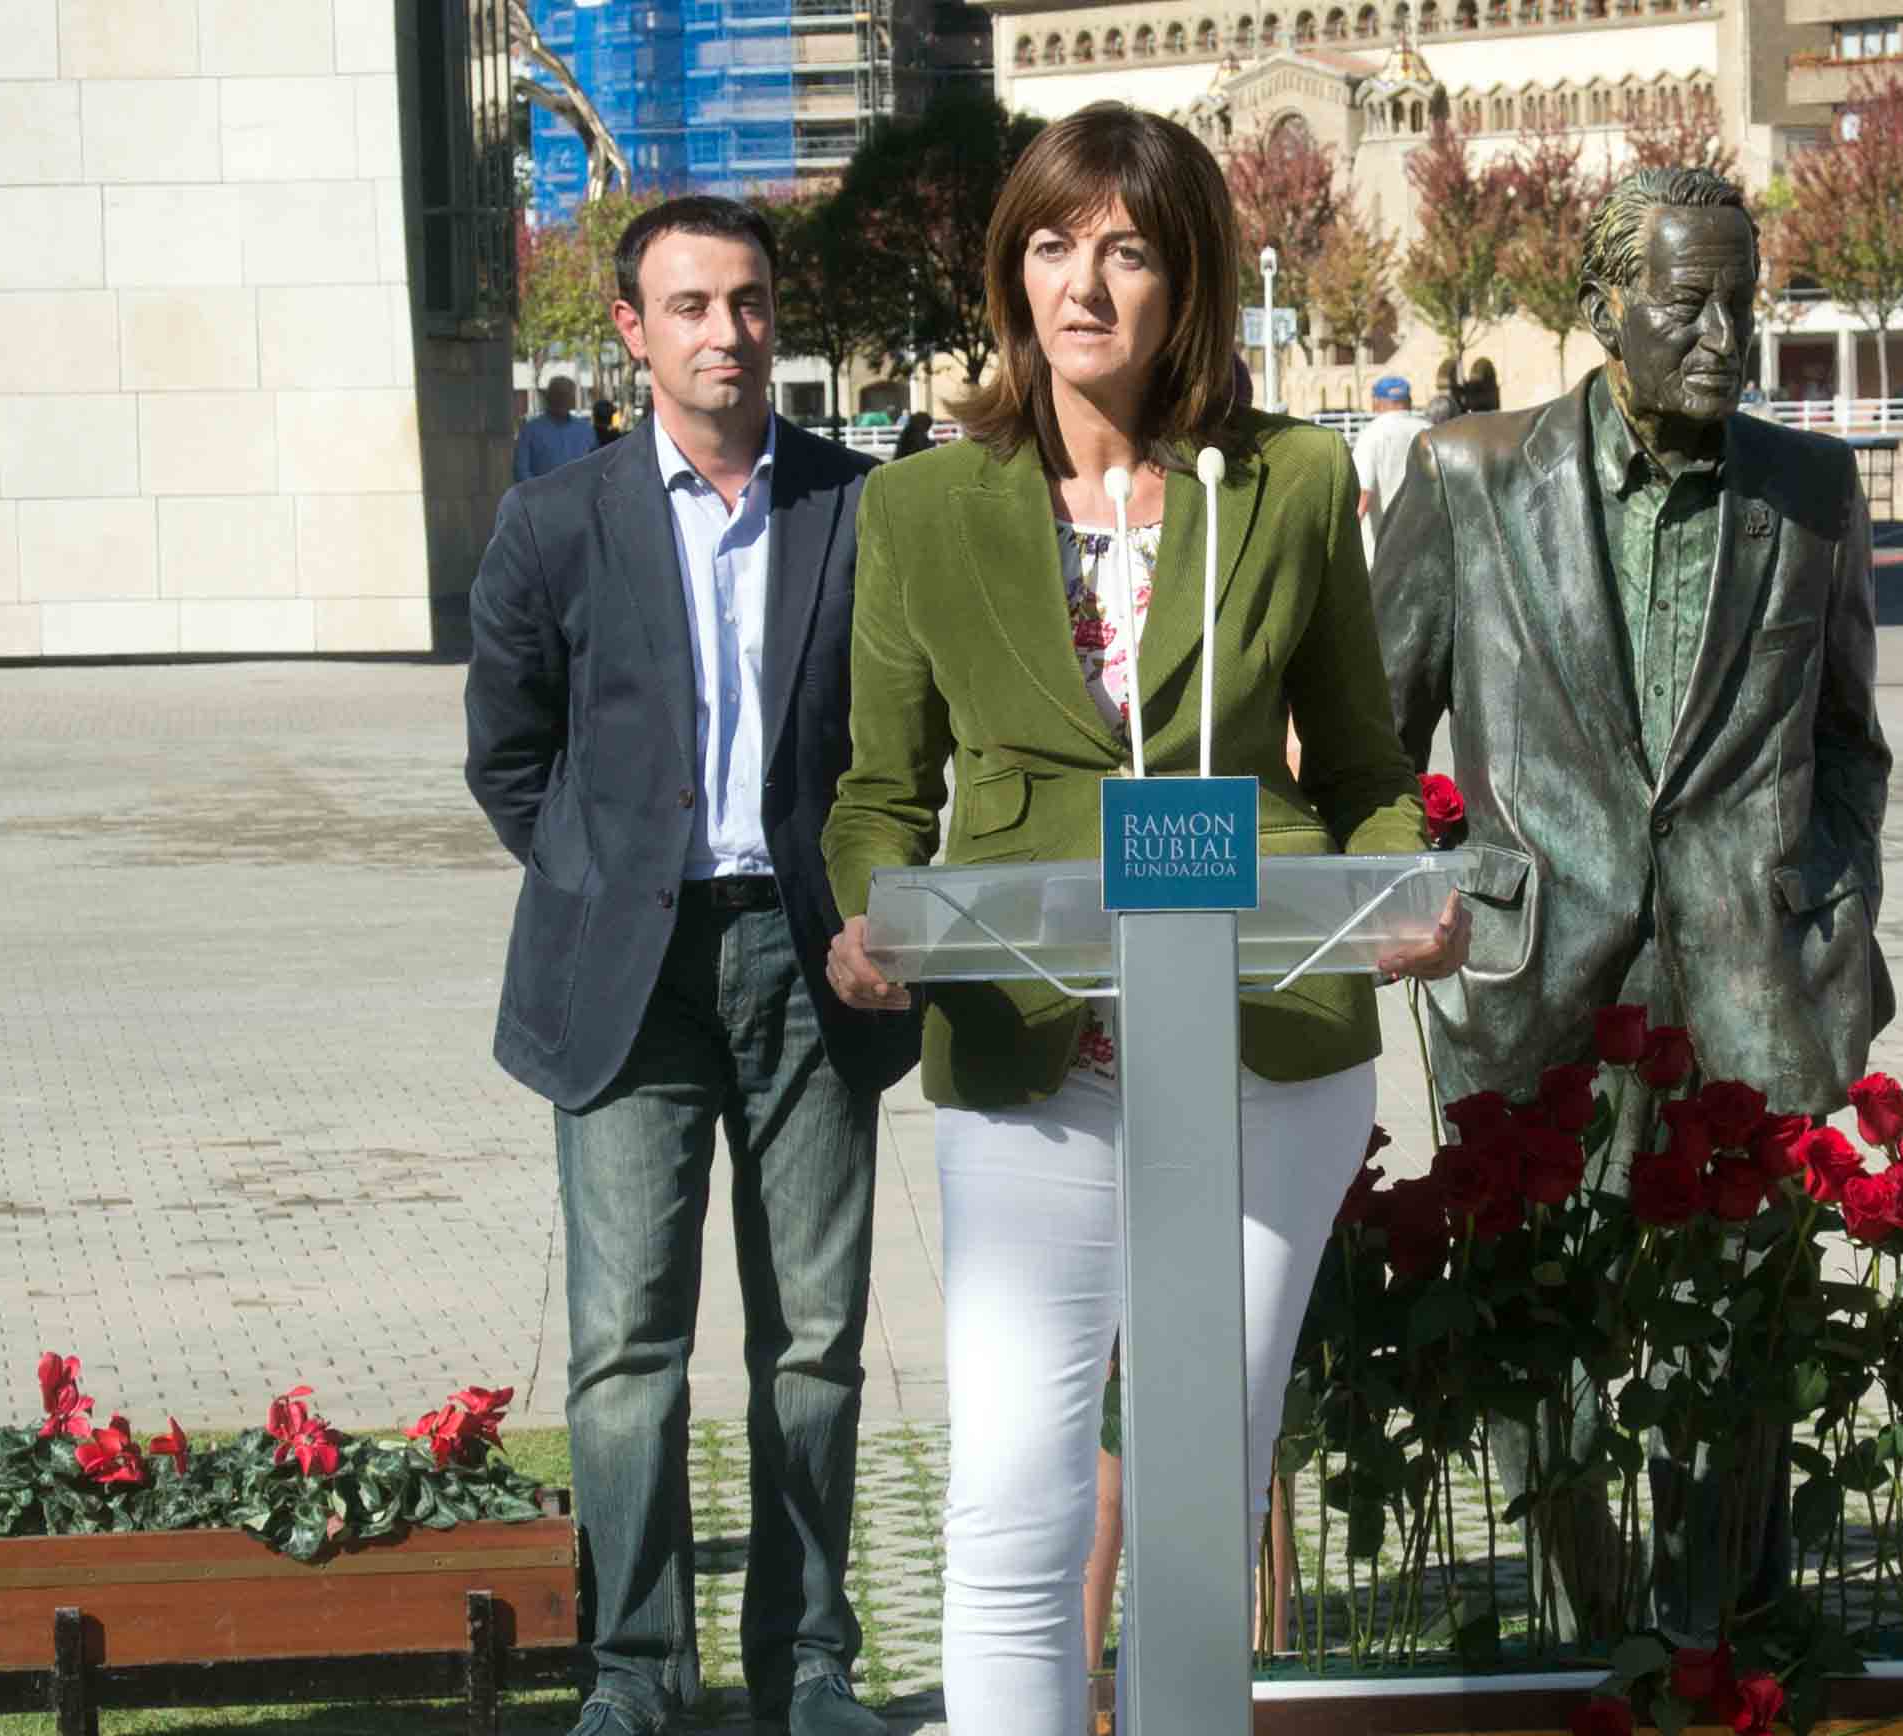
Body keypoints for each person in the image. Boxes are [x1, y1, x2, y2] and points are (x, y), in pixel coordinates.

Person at [817, 103, 1468, 1736]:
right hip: (1031, 1053)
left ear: (1188, 281)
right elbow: (878, 795)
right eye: (1051, 245)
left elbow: (1367, 765)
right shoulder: (918, 510)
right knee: (1009, 1496)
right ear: (1009, 273)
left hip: (1264, 1047)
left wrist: (1402, 893)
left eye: (1125, 250)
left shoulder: (1292, 482)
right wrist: (866, 921)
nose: (1083, 284)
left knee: (1197, 1490)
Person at [1370, 164, 1893, 1641]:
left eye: (1744, 302)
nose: (1724, 336)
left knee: (1738, 1338)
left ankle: (1716, 1647)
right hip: (1536, 975)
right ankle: (1579, 1639)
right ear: (1607, 310)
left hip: (1752, 976)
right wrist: (1443, 898)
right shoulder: (1470, 478)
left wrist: (1829, 903)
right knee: (1537, 1334)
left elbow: (1849, 741)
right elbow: (1374, 738)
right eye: (1686, 304)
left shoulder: (1812, 491)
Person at [465, 194, 920, 1736]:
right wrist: (603, 886)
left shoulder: (861, 508)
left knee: (816, 1342)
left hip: (812, 963)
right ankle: (635, 1675)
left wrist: (881, 909)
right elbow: (508, 757)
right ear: (631, 329)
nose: (727, 331)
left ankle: (808, 1668)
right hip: (629, 979)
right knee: (624, 1347)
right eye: (691, 305)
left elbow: (906, 738)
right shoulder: (554, 521)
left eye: (748, 301)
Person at [1350, 375, 1427, 560]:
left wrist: (1347, 535)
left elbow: (1363, 493)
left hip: (1382, 552)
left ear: (1377, 402)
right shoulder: (1429, 430)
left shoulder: (1371, 435)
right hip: (1423, 545)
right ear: (1408, 401)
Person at [513, 374, 599, 481]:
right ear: (549, 398)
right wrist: (539, 490)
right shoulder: (530, 431)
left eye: (567, 396)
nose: (562, 400)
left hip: (580, 490)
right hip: (543, 490)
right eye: (558, 395)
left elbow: (596, 465)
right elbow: (521, 470)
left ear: (573, 400)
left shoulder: (585, 430)